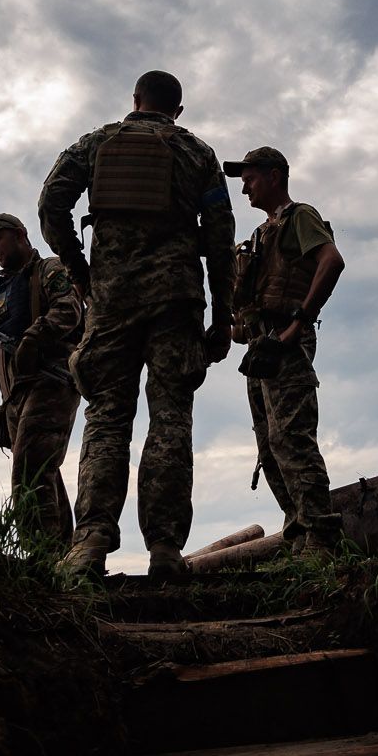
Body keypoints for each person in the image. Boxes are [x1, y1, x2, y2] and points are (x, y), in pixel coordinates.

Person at [38, 70, 235, 580]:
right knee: (170, 420)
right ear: (178, 110)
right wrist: (222, 311)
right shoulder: (199, 153)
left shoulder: (96, 143)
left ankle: (90, 542)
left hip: (112, 302)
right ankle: (166, 549)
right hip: (177, 301)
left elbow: (51, 204)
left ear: (135, 99)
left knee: (106, 417)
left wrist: (80, 271)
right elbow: (219, 236)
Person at [225, 146, 346, 554]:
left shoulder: (300, 216)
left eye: (251, 179)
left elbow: (331, 261)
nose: (245, 190)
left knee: (291, 438)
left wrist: (299, 323)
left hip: (284, 341)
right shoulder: (260, 236)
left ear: (275, 176)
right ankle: (299, 536)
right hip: (260, 345)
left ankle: (322, 538)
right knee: (269, 446)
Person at [0, 212, 83, 543]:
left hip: (51, 381)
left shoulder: (48, 269)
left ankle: (40, 558)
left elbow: (69, 310)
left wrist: (34, 338)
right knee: (42, 470)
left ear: (19, 234)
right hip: (16, 394)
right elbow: (11, 335)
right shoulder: (4, 290)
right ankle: (63, 559)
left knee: (30, 470)